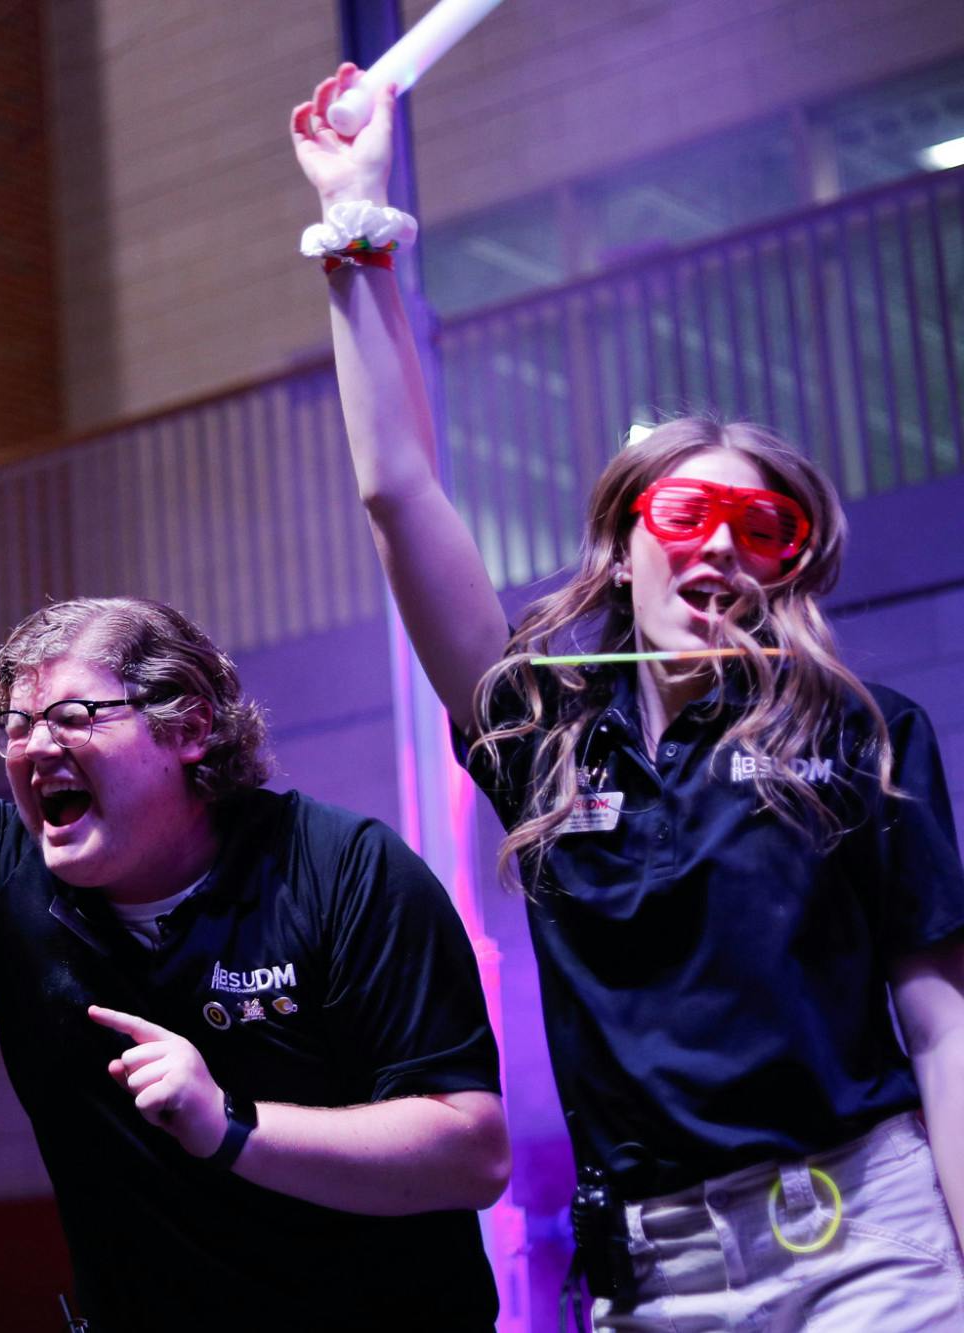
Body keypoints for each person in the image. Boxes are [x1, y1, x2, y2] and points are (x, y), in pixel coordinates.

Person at [292, 64, 964, 1329]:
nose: (719, 548)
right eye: (686, 514)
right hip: (658, 1273)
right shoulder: (537, 734)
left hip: (871, 1244)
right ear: (622, 542)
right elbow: (396, 494)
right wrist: (355, 221)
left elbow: (943, 1030)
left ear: (792, 562)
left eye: (760, 527)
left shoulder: (864, 731)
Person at [0, 436, 511, 1328]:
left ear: (190, 727)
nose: (36, 745)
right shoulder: (5, 867)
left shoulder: (344, 870)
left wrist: (230, 1123)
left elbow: (468, 1152)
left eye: (76, 715)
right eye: (14, 724)